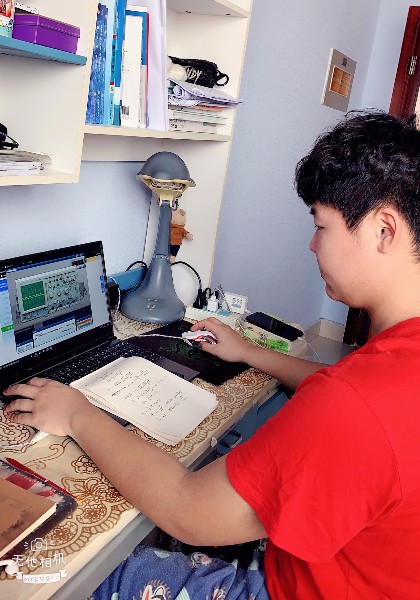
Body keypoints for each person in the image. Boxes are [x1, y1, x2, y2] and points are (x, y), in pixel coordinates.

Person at [4, 110, 420, 599]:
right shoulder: (389, 370)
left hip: (286, 588)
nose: (312, 244)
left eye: (321, 225)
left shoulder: (353, 404)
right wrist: (249, 352)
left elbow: (188, 510)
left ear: (384, 231)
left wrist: (78, 414)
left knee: (70, 571)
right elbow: (348, 393)